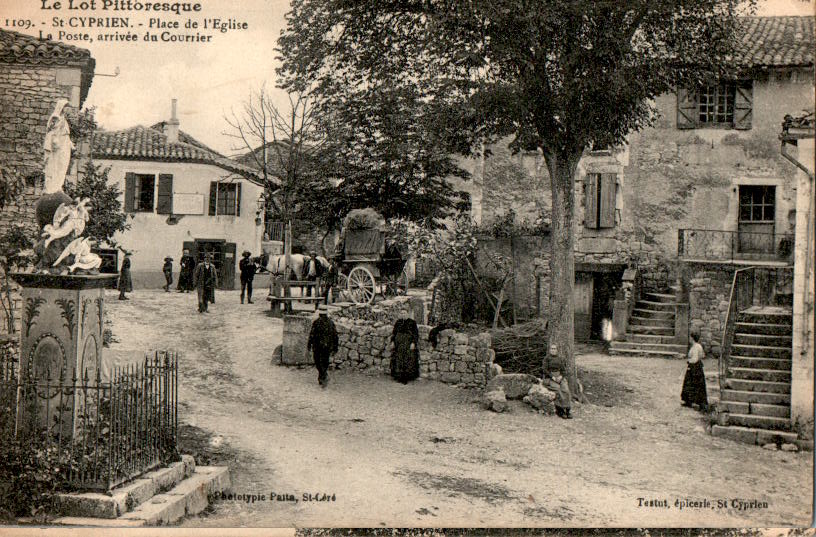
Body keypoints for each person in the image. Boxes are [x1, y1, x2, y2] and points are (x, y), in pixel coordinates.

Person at [43, 99, 74, 194]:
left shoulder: (64, 119)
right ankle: (53, 187)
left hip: (64, 145)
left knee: (63, 165)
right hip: (58, 146)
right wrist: (55, 141)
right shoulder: (56, 118)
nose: (67, 110)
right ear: (61, 107)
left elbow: (64, 134)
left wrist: (70, 143)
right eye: (66, 107)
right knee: (56, 164)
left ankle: (58, 186)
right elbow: (52, 132)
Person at [307, 304, 339, 388]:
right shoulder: (330, 323)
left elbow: (312, 335)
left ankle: (323, 376)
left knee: (317, 361)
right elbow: (335, 336)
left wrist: (309, 345)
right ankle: (323, 376)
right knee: (325, 361)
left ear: (319, 313)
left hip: (317, 346)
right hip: (327, 346)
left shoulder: (316, 322)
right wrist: (335, 348)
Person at [681, 333, 708, 412]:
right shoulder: (697, 346)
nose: (689, 339)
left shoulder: (696, 347)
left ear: (692, 338)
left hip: (695, 367)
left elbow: (695, 359)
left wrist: (689, 362)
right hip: (696, 366)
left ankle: (700, 403)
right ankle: (689, 401)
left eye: (690, 338)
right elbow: (703, 355)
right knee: (690, 384)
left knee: (695, 384)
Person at [390, 311, 420, 384]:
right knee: (398, 359)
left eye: (404, 313)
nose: (403, 314)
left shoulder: (412, 322)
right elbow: (394, 333)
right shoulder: (398, 322)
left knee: (407, 360)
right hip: (399, 344)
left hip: (408, 344)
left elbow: (415, 334)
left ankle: (406, 378)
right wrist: (393, 341)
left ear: (408, 314)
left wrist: (413, 343)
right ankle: (398, 376)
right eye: (401, 313)